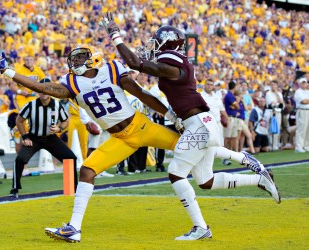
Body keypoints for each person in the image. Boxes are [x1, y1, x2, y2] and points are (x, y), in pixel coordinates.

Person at [103, 13, 280, 240]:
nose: (153, 47)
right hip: (201, 122)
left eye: (157, 42)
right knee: (206, 181)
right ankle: (257, 175)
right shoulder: (178, 62)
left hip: (198, 124)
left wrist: (116, 36)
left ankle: (201, 228)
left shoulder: (174, 65)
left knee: (176, 173)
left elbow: (136, 64)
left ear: (167, 43)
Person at [0, 44, 183, 242]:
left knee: (188, 146)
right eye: (74, 58)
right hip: (120, 139)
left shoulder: (112, 69)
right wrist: (7, 70)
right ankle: (74, 228)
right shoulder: (72, 83)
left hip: (142, 127)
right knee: (87, 170)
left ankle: (212, 180)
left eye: (80, 57)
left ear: (94, 58)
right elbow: (40, 87)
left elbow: (141, 94)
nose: (75, 62)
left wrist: (170, 115)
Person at [9, 78, 78, 198]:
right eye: (41, 89)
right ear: (37, 90)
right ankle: (15, 188)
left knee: (71, 158)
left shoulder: (57, 104)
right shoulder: (31, 105)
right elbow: (19, 121)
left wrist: (59, 129)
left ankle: (75, 187)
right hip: (34, 138)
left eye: (47, 88)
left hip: (51, 138)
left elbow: (65, 120)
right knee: (20, 159)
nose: (44, 92)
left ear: (51, 90)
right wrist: (25, 137)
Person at [293, 77, 309, 152]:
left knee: (307, 129)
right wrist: (306, 101)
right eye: (302, 83)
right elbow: (303, 101)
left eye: (305, 83)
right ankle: (299, 146)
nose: (304, 84)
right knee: (301, 128)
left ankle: (306, 145)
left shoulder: (307, 91)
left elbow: (306, 101)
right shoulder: (298, 92)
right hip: (302, 110)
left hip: (308, 110)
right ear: (300, 84)